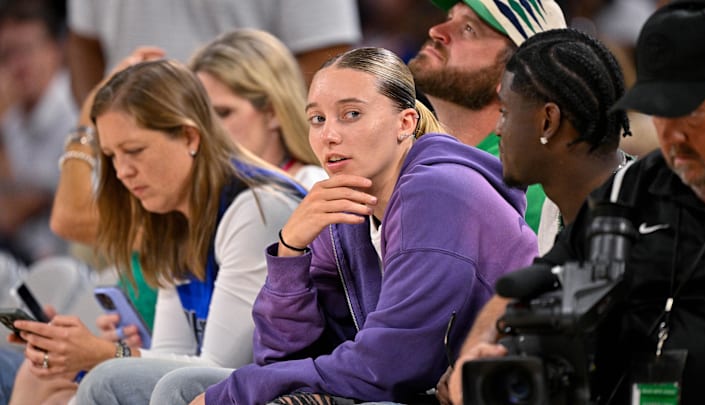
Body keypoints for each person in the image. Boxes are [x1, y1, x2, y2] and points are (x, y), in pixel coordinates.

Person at [75, 46, 539, 405]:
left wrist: (235, 393)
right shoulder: (342, 207)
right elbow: (281, 356)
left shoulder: (439, 191)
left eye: (351, 114)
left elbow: (392, 364)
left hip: (487, 390)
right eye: (317, 119)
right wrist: (291, 250)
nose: (329, 134)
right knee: (184, 387)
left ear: (406, 122)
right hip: (398, 389)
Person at [440, 1, 705, 403]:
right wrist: (476, 353)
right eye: (661, 113)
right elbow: (527, 286)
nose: (673, 136)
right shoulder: (634, 188)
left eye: (692, 114)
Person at [8, 59, 304, 404]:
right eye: (111, 156)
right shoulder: (170, 216)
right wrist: (79, 355)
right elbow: (170, 354)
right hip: (212, 387)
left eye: (134, 151)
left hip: (289, 391)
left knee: (104, 382)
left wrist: (101, 355)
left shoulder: (257, 208)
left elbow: (214, 371)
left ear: (190, 136)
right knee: (45, 380)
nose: (122, 172)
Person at [408, 0, 567, 236]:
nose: (437, 31)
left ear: (517, 77)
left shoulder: (526, 185)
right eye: (450, 17)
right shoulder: (415, 153)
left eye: (469, 29)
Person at [66, 0, 362, 105]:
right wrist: (100, 124)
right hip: (123, 173)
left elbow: (326, 57)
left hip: (243, 170)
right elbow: (83, 43)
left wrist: (256, 131)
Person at [496, 28, 634, 252]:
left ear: (548, 122)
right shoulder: (557, 207)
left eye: (505, 113)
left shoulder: (648, 219)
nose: (498, 129)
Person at [188, 29, 327, 189]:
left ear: (273, 113)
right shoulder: (205, 192)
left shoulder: (313, 187)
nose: (207, 129)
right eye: (199, 115)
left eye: (223, 113)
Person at [0, 0, 77, 264]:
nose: (17, 64)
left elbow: (20, 209)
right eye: (7, 54)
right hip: (23, 255)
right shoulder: (11, 115)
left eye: (26, 50)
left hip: (70, 260)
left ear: (56, 49)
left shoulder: (73, 108)